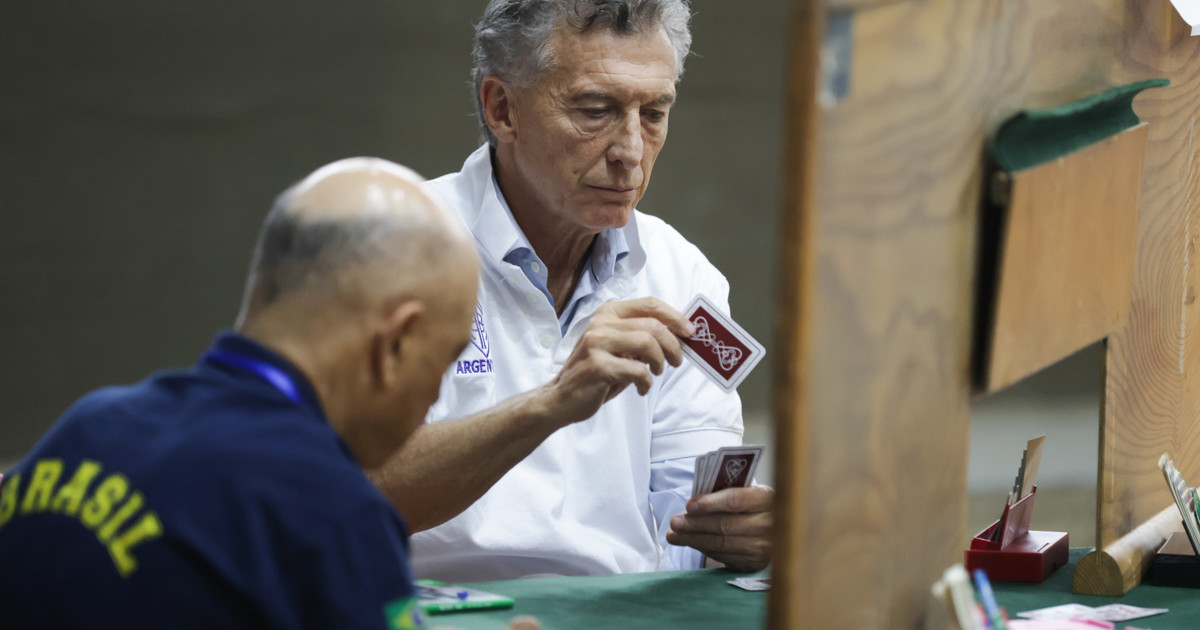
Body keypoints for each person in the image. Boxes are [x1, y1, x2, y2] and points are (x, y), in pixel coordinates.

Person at [0, 159, 537, 630]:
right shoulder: (328, 511)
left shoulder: (84, 429)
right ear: (394, 343)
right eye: (446, 358)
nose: (436, 392)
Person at [371, 0, 773, 582]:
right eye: (595, 110)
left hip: (621, 609)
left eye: (654, 113)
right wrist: (552, 402)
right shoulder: (389, 248)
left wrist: (742, 535)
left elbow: (690, 524)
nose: (630, 150)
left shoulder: (684, 276)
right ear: (502, 108)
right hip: (433, 606)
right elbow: (338, 496)